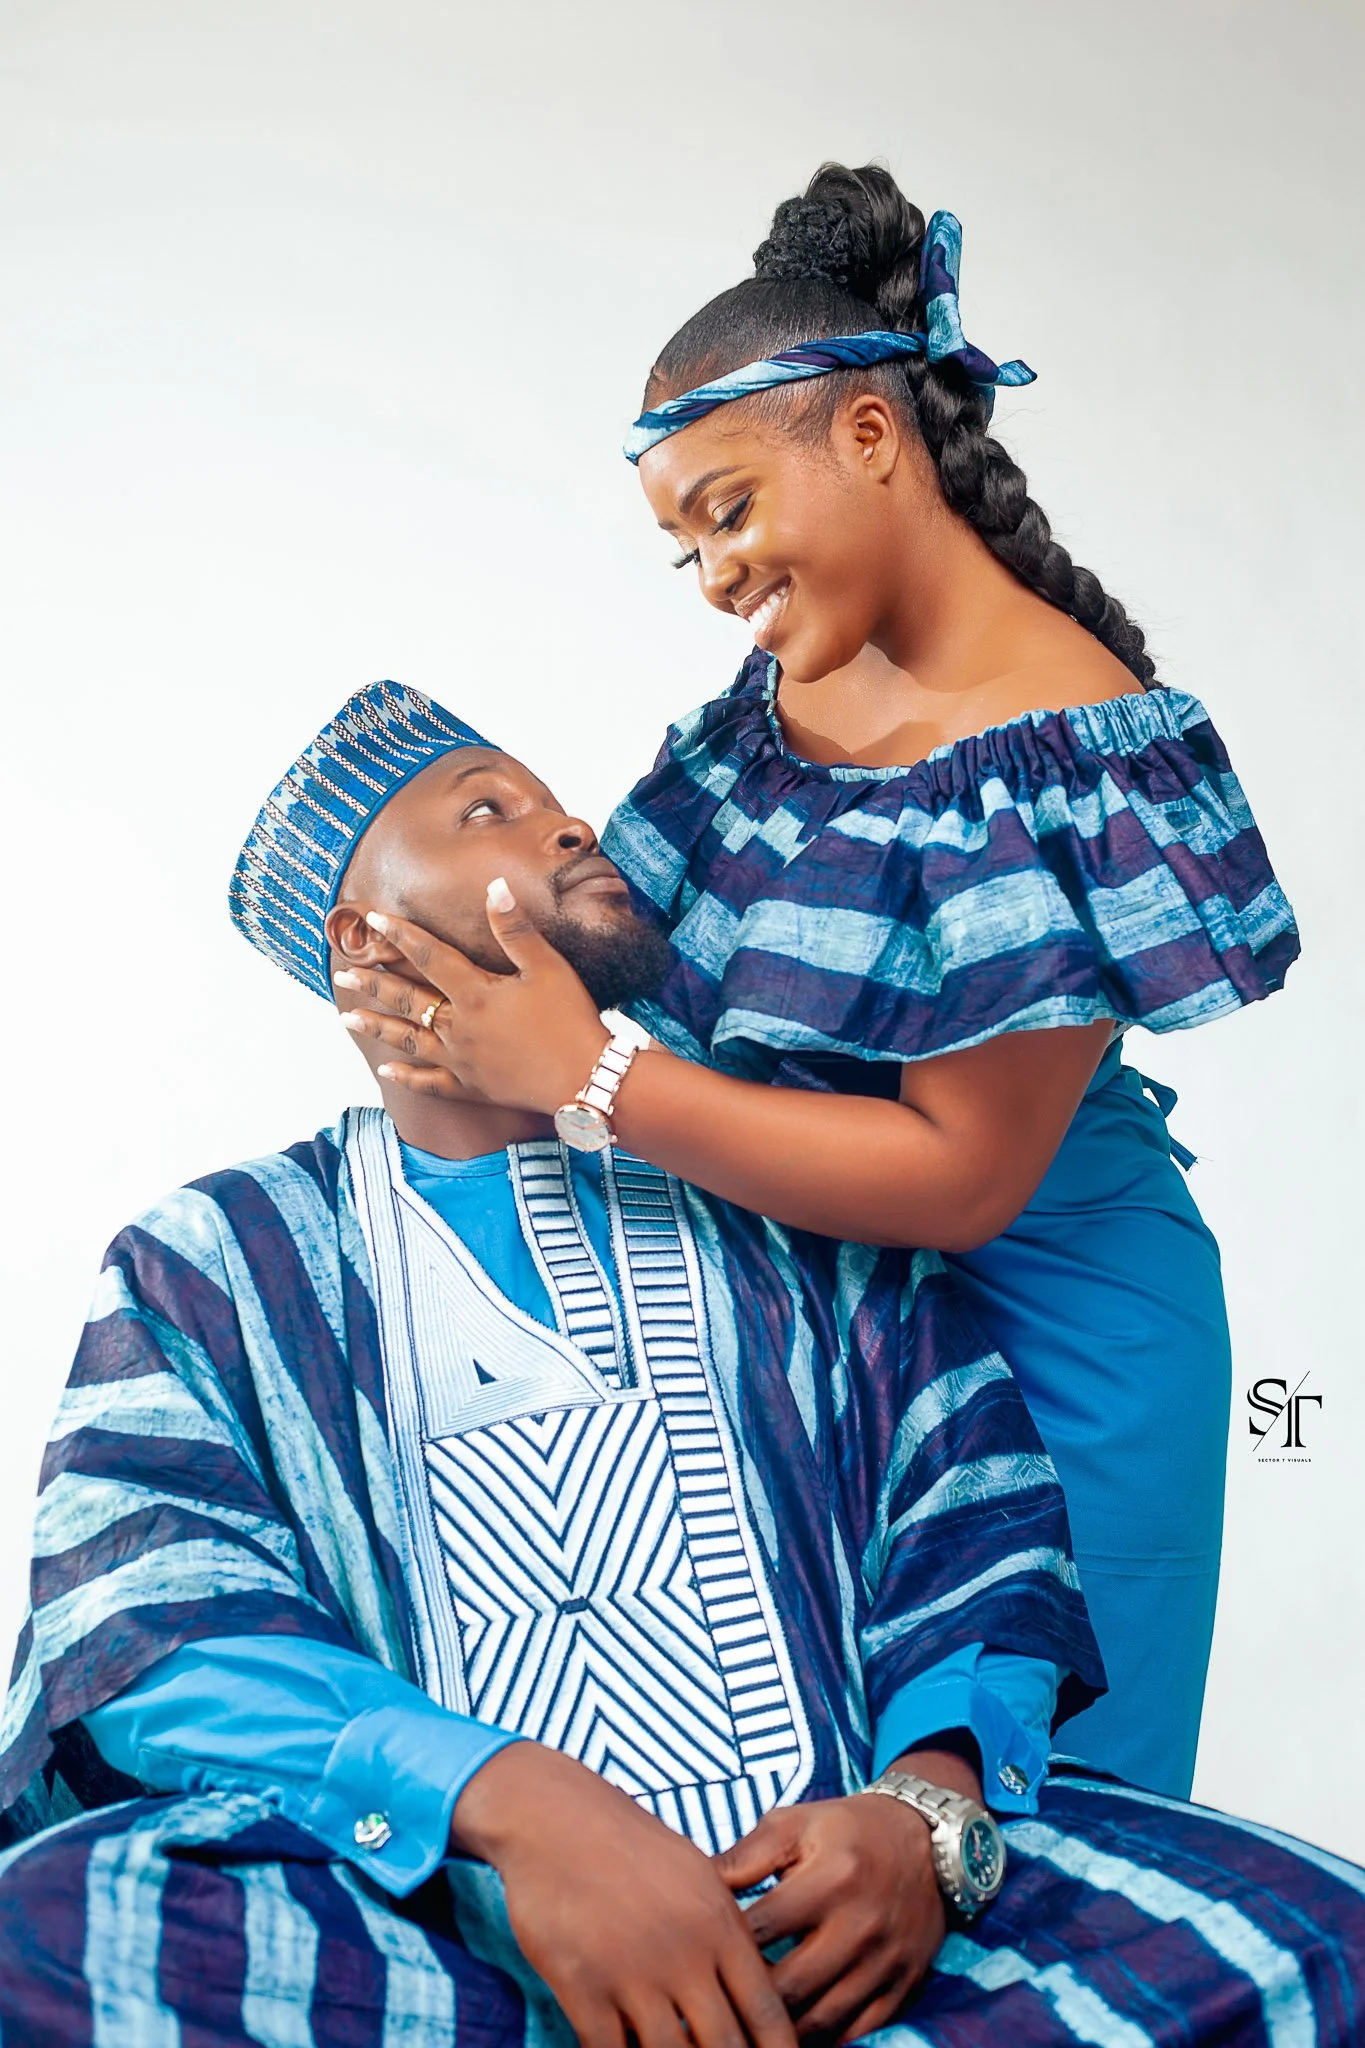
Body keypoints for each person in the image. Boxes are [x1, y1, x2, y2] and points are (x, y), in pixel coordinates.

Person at [2, 681, 1359, 2046]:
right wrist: (510, 1805)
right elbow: (145, 1616)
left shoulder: (777, 1190)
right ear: (364, 939)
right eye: (489, 808)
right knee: (48, 1930)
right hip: (437, 1943)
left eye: (549, 796)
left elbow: (976, 1526)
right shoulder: (222, 1255)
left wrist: (922, 1816)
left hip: (859, 1942)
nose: (569, 820)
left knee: (1318, 1942)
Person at [340, 166, 1300, 1801]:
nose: (713, 573)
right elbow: (670, 936)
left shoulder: (1047, 742)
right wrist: (439, 967)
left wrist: (589, 1078)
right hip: (853, 1326)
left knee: (1023, 1835)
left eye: (727, 510)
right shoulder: (810, 671)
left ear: (869, 437)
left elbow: (962, 1180)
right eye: (680, 546)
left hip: (1058, 1340)